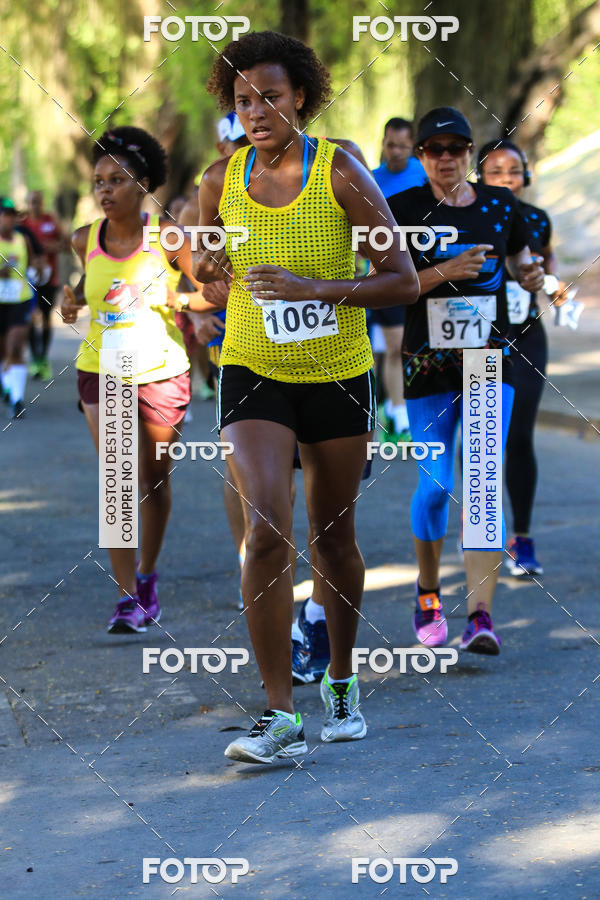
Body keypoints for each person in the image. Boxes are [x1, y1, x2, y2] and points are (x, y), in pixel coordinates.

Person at [197, 30, 419, 763]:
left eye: (270, 96)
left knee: (333, 538)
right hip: (253, 369)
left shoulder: (343, 173)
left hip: (336, 373)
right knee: (266, 530)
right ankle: (277, 713)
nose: (256, 112)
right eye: (242, 100)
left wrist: (313, 289)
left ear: (301, 98)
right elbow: (205, 270)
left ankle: (342, 676)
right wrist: (207, 270)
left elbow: (403, 281)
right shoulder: (219, 181)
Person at [387, 107, 544, 655]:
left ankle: (480, 615)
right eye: (434, 150)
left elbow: (526, 260)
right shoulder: (401, 209)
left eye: (456, 149)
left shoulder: (501, 205)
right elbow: (386, 288)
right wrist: (443, 273)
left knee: (480, 486)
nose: (446, 158)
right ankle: (428, 591)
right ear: (421, 156)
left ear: (469, 153)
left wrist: (530, 273)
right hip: (427, 365)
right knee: (434, 487)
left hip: (485, 362)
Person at [60, 126, 225, 634]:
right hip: (102, 368)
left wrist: (182, 302)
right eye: (99, 182)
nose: (105, 191)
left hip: (160, 373)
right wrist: (72, 302)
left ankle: (148, 576)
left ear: (144, 184)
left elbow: (214, 289)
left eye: (117, 180)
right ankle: (127, 595)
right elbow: (85, 291)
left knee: (152, 480)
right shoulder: (83, 239)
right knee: (117, 479)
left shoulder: (169, 236)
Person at [477, 139, 567, 577]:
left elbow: (547, 270)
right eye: (496, 172)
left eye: (514, 171)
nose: (507, 179)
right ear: (481, 177)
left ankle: (523, 539)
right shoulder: (473, 215)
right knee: (482, 438)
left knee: (519, 435)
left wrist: (551, 284)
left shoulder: (537, 219)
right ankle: (478, 532)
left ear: (527, 176)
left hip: (528, 336)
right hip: (483, 338)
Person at [371, 118, 428, 442]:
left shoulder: (424, 174)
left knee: (414, 346)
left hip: (424, 274)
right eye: (390, 145)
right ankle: (398, 414)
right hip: (387, 274)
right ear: (383, 142)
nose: (395, 152)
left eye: (403, 147)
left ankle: (400, 410)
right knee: (394, 347)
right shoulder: (371, 180)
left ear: (413, 147)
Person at [22, 190, 63, 381]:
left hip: (50, 278)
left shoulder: (51, 220)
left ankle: (44, 357)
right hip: (28, 279)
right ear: (28, 204)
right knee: (31, 317)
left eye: (38, 202)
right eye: (31, 202)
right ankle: (35, 358)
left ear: (42, 203)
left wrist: (53, 247)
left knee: (46, 317)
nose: (35, 205)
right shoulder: (23, 224)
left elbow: (66, 242)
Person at [0, 198, 35, 418]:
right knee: (2, 352)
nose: (9, 219)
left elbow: (32, 266)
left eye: (13, 215)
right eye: (5, 215)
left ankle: (17, 400)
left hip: (19, 300)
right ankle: (7, 387)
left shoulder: (23, 241)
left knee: (15, 348)